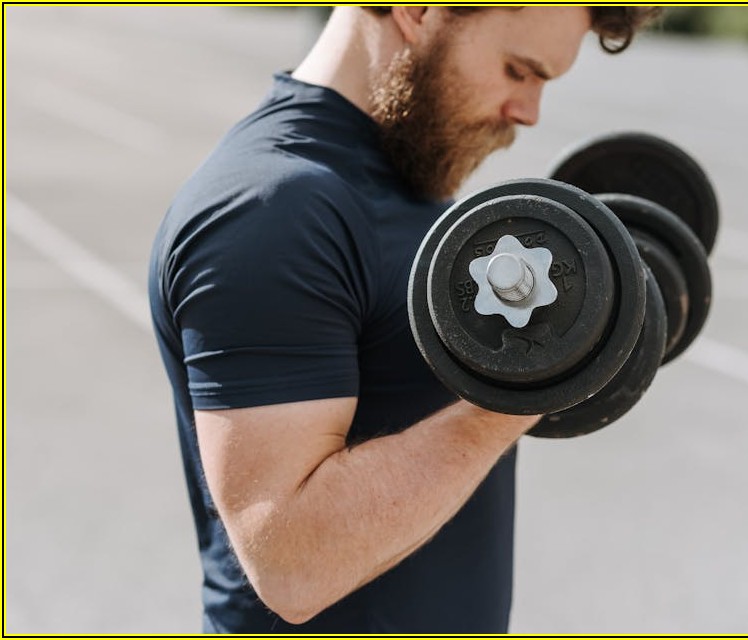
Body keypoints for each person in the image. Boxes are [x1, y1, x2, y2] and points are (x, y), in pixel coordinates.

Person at [149, 6, 659, 633]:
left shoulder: (409, 177)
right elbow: (289, 563)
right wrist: (538, 374)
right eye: (517, 71)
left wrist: (602, 336)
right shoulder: (274, 212)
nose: (529, 112)